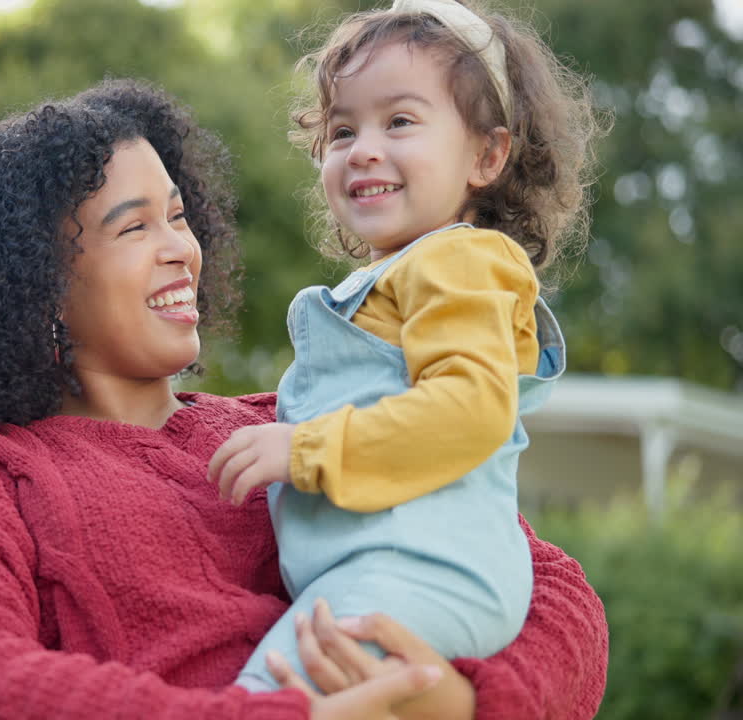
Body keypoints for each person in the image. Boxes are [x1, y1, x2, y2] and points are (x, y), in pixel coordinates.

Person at [0, 78, 607, 719]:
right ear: (37, 289)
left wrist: (465, 703)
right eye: (134, 226)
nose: (181, 251)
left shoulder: (287, 425)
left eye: (180, 216)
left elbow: (554, 590)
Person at [205, 0, 606, 694]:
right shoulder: (407, 277)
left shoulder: (459, 262)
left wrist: (304, 449)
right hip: (383, 570)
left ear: (487, 154)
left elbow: (470, 409)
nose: (362, 147)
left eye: (399, 121)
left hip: (418, 571)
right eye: (340, 129)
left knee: (260, 701)